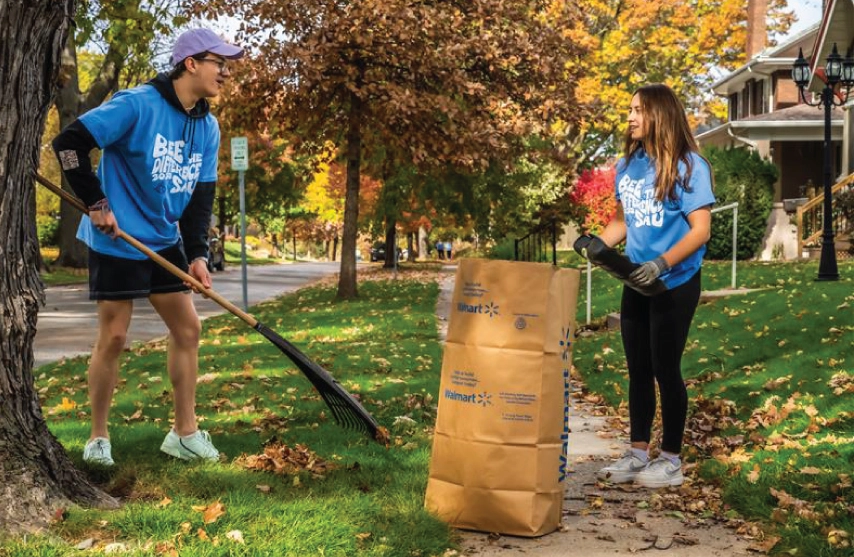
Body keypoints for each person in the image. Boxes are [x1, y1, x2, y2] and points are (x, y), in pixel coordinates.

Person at [52, 28, 244, 466]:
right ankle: (98, 438)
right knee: (115, 336)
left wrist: (196, 254)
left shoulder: (208, 126)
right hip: (117, 238)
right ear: (191, 62)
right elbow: (68, 144)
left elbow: (201, 196)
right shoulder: (137, 104)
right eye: (220, 63)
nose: (226, 73)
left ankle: (184, 433)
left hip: (163, 238)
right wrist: (96, 202)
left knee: (188, 328)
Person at [593, 84, 715, 488]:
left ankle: (672, 460)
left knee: (666, 368)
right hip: (636, 280)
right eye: (629, 109)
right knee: (638, 370)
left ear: (659, 116)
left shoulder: (690, 166)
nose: (629, 117)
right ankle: (638, 452)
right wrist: (598, 245)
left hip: (674, 281)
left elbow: (701, 231)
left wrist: (661, 263)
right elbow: (625, 221)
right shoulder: (629, 166)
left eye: (638, 110)